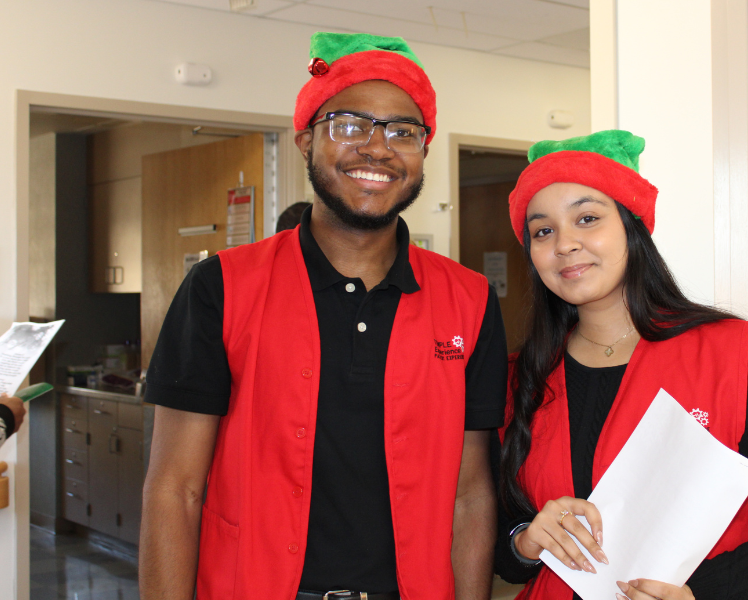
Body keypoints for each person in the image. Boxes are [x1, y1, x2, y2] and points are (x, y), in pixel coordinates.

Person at [139, 33, 507, 600]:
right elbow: (175, 489)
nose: (378, 149)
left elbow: (470, 493)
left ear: (424, 151)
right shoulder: (222, 288)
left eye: (402, 132)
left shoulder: (470, 299)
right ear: (306, 139)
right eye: (350, 126)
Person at [492, 131, 748, 600]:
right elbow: (500, 546)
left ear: (632, 228)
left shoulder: (732, 354)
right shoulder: (521, 379)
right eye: (543, 230)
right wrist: (526, 542)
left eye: (588, 218)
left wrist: (700, 593)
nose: (565, 244)